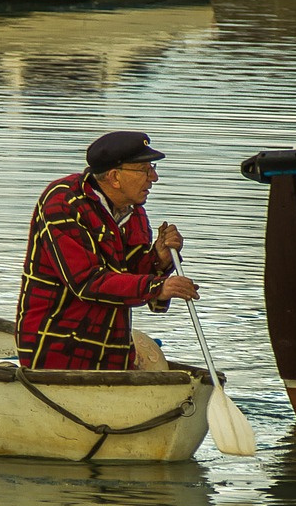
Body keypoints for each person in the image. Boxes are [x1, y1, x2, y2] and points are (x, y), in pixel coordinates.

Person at [16, 131, 199, 370]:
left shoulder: (133, 211)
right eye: (145, 170)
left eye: (151, 168)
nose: (154, 177)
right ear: (115, 177)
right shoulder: (63, 203)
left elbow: (129, 274)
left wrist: (159, 260)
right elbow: (87, 282)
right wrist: (157, 286)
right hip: (57, 350)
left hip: (112, 352)